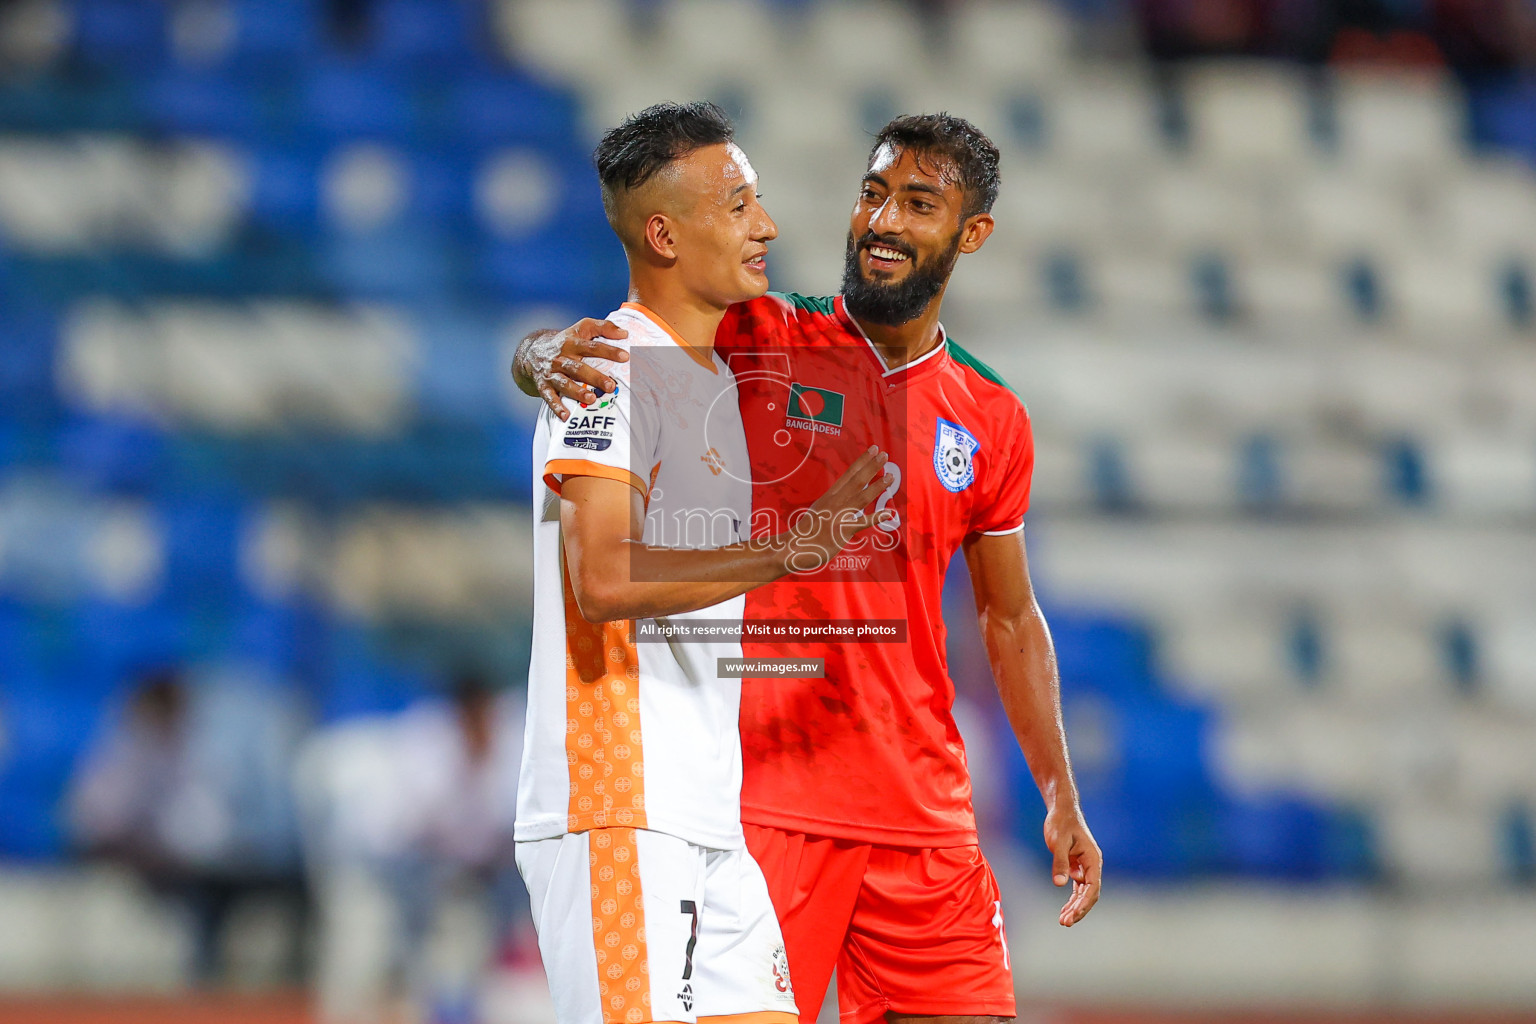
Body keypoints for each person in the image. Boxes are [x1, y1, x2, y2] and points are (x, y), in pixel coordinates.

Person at [512, 113, 1104, 1024]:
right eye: (873, 195)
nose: (884, 223)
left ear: (971, 234)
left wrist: (1059, 791)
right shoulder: (761, 336)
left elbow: (1010, 618)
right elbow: (627, 332)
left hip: (924, 817)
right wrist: (538, 353)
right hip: (762, 804)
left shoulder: (991, 418)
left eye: (918, 204)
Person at [515, 101, 894, 1024]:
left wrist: (524, 356)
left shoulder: (721, 373)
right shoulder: (609, 368)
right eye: (736, 204)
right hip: (621, 803)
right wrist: (792, 549)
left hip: (707, 814)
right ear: (663, 233)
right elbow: (601, 579)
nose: (765, 225)